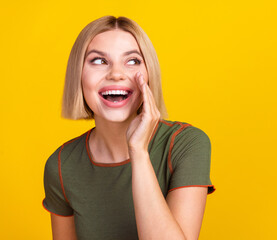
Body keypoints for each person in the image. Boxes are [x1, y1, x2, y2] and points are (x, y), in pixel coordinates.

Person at [42, 16, 215, 240]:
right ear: (78, 74)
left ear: (149, 73)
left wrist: (139, 152)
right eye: (98, 61)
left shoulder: (185, 144)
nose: (116, 73)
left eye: (132, 61)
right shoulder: (62, 165)